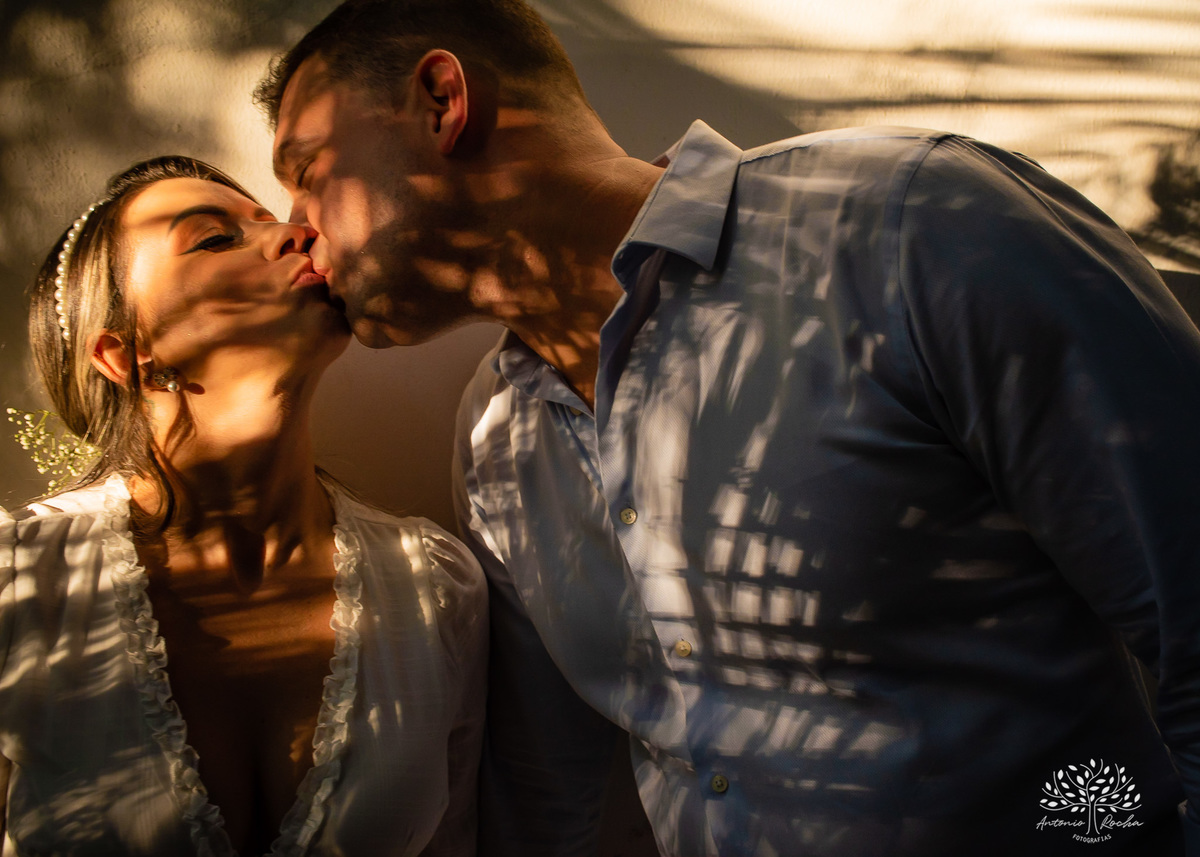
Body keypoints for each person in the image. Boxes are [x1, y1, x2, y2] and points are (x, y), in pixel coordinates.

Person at [258, 1, 1200, 854]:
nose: (289, 235)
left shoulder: (916, 227)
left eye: (306, 174)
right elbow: (550, 793)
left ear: (440, 98)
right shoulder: (494, 442)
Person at [0, 156, 486, 856]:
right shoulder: (23, 581)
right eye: (213, 239)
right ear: (128, 352)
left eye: (273, 219)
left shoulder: (436, 585)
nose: (293, 234)